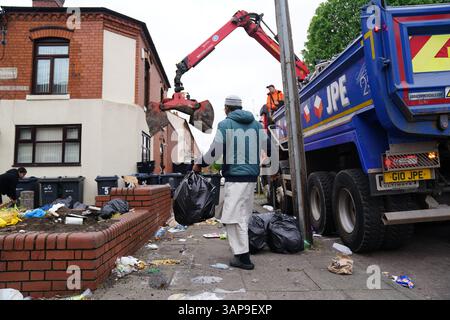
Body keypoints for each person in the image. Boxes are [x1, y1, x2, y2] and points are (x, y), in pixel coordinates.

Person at [194, 95, 264, 270]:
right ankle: (243, 253)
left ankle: (243, 258)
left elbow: (215, 151)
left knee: (233, 217)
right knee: (242, 215)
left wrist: (199, 164)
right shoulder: (256, 125)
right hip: (251, 177)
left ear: (227, 108)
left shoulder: (225, 124)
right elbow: (268, 146)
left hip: (236, 177)